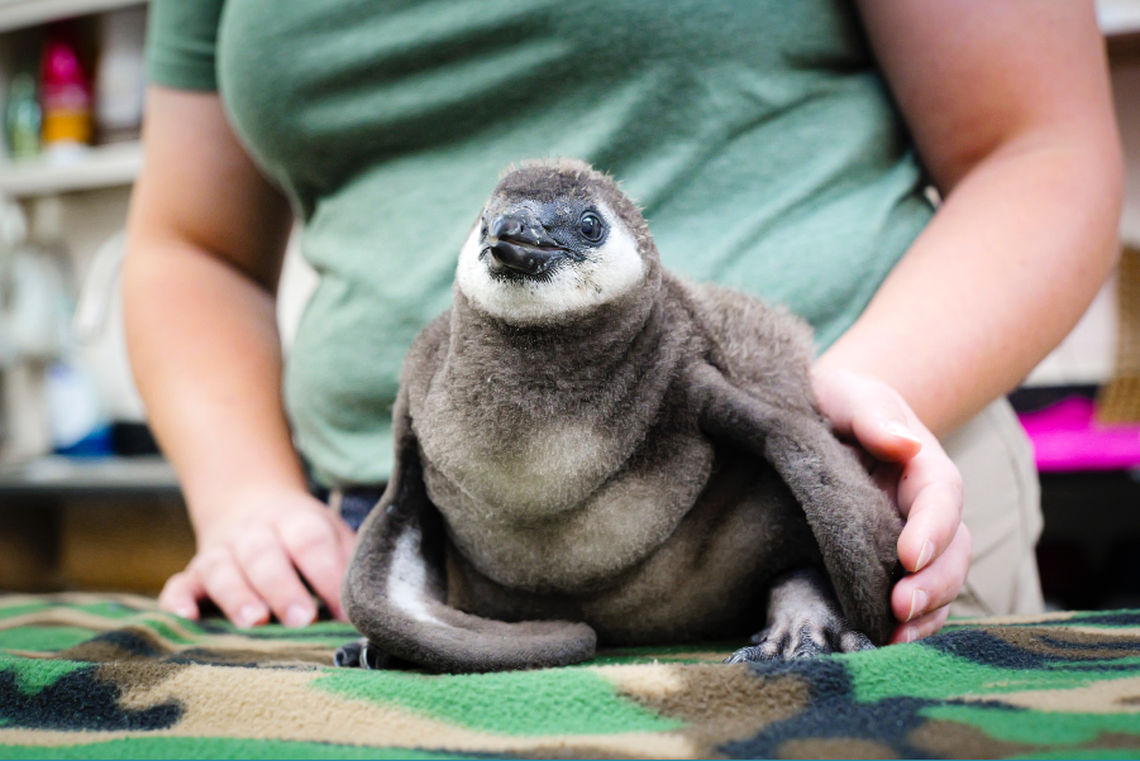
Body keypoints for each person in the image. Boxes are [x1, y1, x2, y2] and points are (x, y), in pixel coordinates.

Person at [124, 0, 1122, 643]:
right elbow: (190, 246)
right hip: (409, 561)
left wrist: (819, 429)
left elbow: (1038, 148)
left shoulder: (813, 467)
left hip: (822, 506)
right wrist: (244, 491)